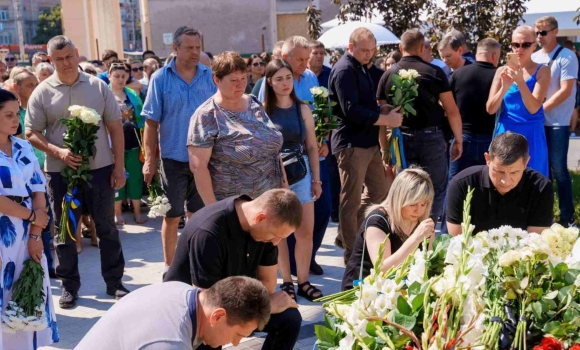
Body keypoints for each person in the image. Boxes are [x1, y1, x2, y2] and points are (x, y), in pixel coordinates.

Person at [26, 35, 129, 308]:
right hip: (60, 173)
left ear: (77, 53)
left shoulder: (98, 86)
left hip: (99, 170)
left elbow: (115, 127)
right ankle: (69, 287)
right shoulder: (42, 91)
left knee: (106, 227)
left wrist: (119, 167)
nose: (66, 63)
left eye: (69, 56)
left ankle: (114, 282)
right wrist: (58, 152)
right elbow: (30, 132)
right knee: (65, 230)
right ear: (50, 60)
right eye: (58, 59)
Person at [164, 189, 303, 350]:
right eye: (275, 235)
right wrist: (266, 306)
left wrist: (260, 308)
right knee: (213, 337)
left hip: (233, 304)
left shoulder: (267, 232)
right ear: (260, 218)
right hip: (191, 314)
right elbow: (207, 307)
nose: (276, 242)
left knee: (289, 319)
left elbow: (268, 284)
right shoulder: (209, 232)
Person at [142, 26, 217, 270]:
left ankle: (195, 265)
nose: (195, 52)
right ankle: (170, 268)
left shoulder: (210, 76)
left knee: (199, 216)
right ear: (175, 49)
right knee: (172, 216)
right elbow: (151, 124)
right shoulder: (160, 78)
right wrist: (149, 160)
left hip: (205, 159)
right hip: (173, 159)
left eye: (198, 47)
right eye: (189, 48)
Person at [329, 27, 404, 263]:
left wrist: (381, 110)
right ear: (350, 47)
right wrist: (386, 119)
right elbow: (350, 109)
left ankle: (349, 234)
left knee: (379, 192)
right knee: (350, 199)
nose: (368, 55)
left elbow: (364, 104)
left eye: (372, 50)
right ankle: (352, 254)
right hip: (351, 143)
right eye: (363, 50)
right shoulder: (344, 70)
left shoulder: (363, 67)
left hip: (368, 141)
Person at [377, 29, 463, 233]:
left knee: (405, 189)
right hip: (431, 137)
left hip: (400, 139)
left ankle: (405, 233)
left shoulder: (388, 74)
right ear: (422, 47)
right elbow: (452, 111)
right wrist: (458, 139)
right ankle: (428, 232)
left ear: (400, 48)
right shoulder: (435, 72)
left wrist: (384, 149)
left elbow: (382, 116)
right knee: (436, 188)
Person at [0, 89, 59, 349]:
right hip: (4, 232)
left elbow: (38, 189)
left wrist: (36, 233)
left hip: (28, 230)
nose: (16, 120)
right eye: (8, 115)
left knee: (28, 290)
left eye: (17, 114)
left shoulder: (23, 146)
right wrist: (34, 216)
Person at [187, 52, 284, 204]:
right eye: (233, 80)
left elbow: (274, 152)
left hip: (270, 202)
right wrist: (215, 211)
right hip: (234, 207)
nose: (240, 85)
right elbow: (198, 168)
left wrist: (285, 189)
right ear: (216, 80)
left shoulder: (254, 104)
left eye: (243, 78)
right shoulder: (206, 115)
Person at [263, 59, 323, 301]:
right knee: (279, 233)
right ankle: (286, 281)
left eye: (288, 77)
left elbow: (311, 146)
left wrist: (316, 180)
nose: (285, 83)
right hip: (274, 176)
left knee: (305, 232)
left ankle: (304, 281)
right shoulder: (263, 110)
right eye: (279, 78)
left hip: (301, 173)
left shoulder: (303, 109)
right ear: (269, 82)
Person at [77, 276, 270, 350]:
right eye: (238, 335)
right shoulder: (171, 341)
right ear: (218, 316)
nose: (235, 343)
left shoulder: (181, 291)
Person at [342, 168, 435, 290]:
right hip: (363, 289)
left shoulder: (423, 224)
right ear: (399, 199)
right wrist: (415, 238)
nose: (419, 210)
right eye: (413, 204)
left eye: (424, 204)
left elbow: (430, 261)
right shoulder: (377, 221)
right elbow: (382, 270)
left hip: (399, 287)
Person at [446, 132, 553, 235]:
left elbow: (534, 245)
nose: (505, 181)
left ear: (526, 163)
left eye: (514, 172)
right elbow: (458, 242)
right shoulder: (462, 184)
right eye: (499, 171)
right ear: (487, 159)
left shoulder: (541, 187)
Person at [532, 16, 578, 228]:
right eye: (537, 32)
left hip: (557, 122)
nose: (539, 37)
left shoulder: (567, 56)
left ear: (555, 31)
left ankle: (567, 217)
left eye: (543, 32)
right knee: (541, 171)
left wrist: (540, 110)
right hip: (537, 122)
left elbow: (566, 90)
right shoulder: (534, 56)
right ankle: (544, 216)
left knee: (559, 170)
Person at [487, 25, 550, 178]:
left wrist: (520, 82)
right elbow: (490, 109)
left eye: (525, 45)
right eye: (516, 45)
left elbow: (534, 107)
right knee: (503, 178)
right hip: (505, 132)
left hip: (531, 132)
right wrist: (504, 87)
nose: (519, 49)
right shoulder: (501, 71)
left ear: (534, 46)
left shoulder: (543, 71)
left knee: (533, 180)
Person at [448, 38, 500, 179]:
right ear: (495, 55)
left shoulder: (457, 74)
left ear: (477, 53)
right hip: (490, 140)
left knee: (455, 186)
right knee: (486, 186)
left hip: (462, 138)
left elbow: (445, 106)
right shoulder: (500, 76)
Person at [108, 61, 146, 225]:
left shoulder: (132, 94)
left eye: (124, 76)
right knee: (117, 178)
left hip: (134, 142)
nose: (120, 79)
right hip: (113, 145)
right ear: (109, 76)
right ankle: (117, 212)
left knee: (135, 177)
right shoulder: (105, 95)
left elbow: (142, 118)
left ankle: (137, 211)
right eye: (116, 76)